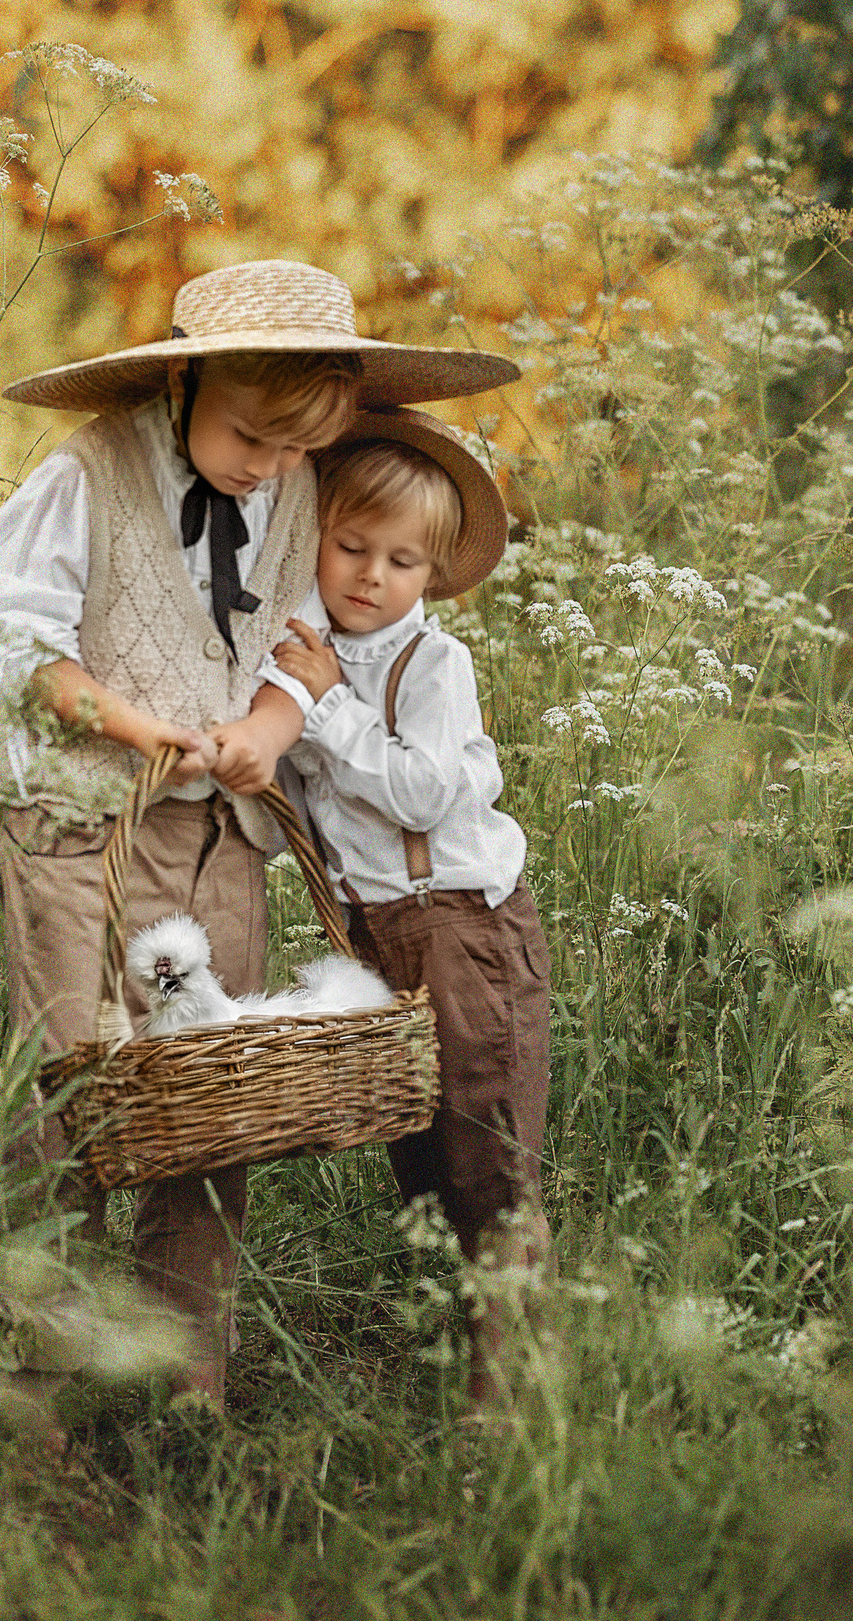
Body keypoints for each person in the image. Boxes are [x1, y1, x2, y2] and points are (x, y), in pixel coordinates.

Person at [0, 260, 516, 1406]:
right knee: (68, 1100)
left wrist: (266, 731)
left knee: (213, 1104)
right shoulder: (87, 475)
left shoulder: (297, 485)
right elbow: (21, 650)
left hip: (219, 837)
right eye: (249, 436)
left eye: (293, 446)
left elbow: (296, 648)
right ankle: (36, 1393)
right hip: (81, 828)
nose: (266, 465)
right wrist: (138, 729)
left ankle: (184, 1385)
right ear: (185, 382)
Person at [261, 407, 551, 1411]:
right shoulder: (308, 654)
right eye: (351, 547)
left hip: (463, 926)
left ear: (431, 574)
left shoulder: (431, 664)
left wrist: (330, 706)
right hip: (380, 937)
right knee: (425, 1165)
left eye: (402, 561)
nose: (371, 576)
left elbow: (424, 795)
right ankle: (468, 1362)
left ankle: (512, 1398)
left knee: (489, 1161)